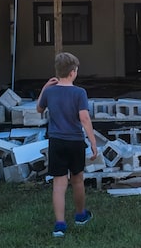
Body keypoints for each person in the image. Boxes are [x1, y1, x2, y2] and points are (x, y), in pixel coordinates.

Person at [36, 52, 99, 238]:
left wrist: (44, 87)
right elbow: (84, 118)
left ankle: (60, 225)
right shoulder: (79, 93)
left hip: (56, 141)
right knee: (77, 179)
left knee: (58, 183)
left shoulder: (49, 91)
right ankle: (80, 215)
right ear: (72, 72)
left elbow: (39, 108)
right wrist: (93, 142)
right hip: (75, 141)